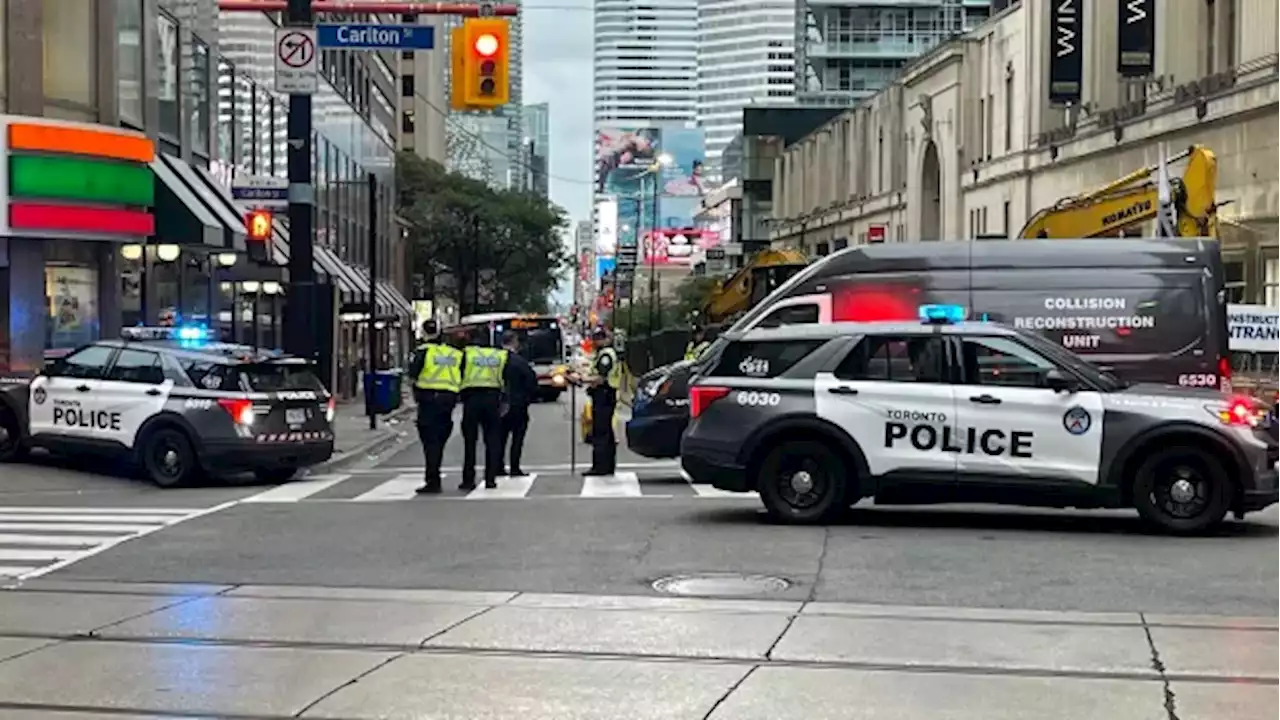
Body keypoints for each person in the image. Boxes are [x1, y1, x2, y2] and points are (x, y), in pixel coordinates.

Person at [408, 320, 463, 494]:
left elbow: (412, 376)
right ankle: (434, 472)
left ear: (423, 333)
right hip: (448, 400)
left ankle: (433, 479)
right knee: (440, 438)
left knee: (429, 440)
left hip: (429, 400)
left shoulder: (422, 352)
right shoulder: (454, 353)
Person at [459, 334, 508, 490]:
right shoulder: (499, 355)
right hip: (493, 398)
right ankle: (490, 478)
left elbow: (459, 373)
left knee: (470, 442)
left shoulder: (468, 354)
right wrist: (505, 400)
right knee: (492, 440)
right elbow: (507, 378)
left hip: (472, 398)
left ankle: (468, 479)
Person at [581, 327, 621, 476]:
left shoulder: (606, 355)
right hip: (604, 395)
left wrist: (583, 380)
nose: (595, 341)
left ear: (604, 338)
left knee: (600, 432)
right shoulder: (603, 354)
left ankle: (600, 466)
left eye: (598, 338)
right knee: (606, 432)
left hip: (604, 396)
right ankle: (608, 466)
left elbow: (601, 378)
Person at [499, 331, 539, 477]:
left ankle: (498, 466)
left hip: (499, 404)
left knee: (499, 438)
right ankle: (514, 467)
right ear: (514, 342)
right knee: (517, 438)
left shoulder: (495, 360)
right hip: (518, 404)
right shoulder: (520, 362)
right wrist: (528, 397)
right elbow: (531, 382)